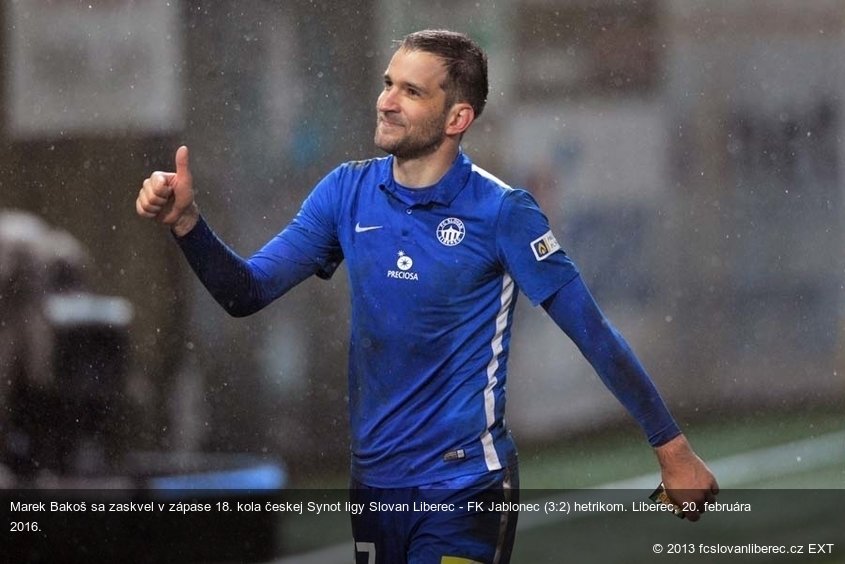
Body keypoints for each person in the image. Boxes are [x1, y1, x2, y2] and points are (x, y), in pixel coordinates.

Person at [137, 29, 718, 564]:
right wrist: (188, 225)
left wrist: (671, 446)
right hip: (375, 486)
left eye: (410, 91)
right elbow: (246, 292)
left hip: (466, 483)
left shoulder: (502, 212)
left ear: (456, 116)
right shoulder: (345, 193)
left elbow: (591, 331)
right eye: (388, 83)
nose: (386, 100)